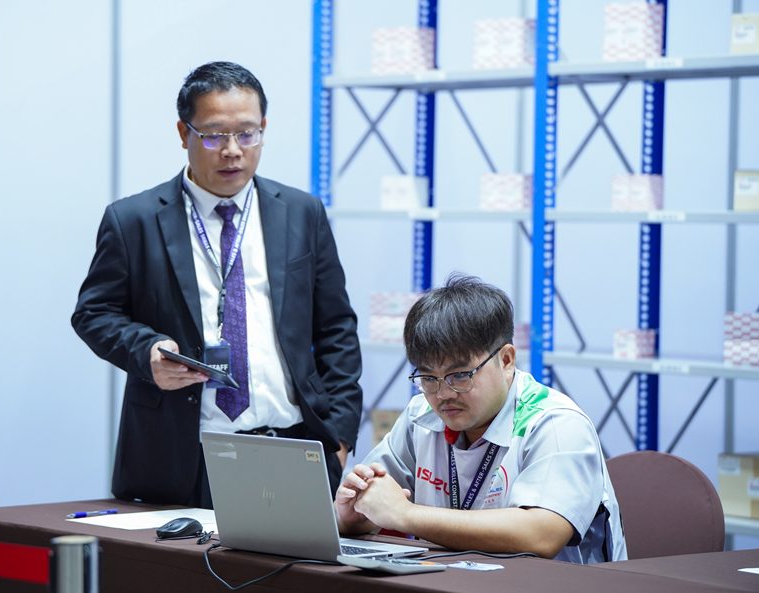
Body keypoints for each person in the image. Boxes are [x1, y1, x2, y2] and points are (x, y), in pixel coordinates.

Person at [72, 61, 362, 508]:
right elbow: (93, 313)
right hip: (180, 455)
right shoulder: (134, 220)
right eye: (213, 135)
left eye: (247, 134)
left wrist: (338, 437)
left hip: (291, 446)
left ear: (263, 129)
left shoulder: (301, 213)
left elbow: (336, 329)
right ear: (183, 133)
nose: (232, 151)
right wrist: (146, 352)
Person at [335, 274, 626, 563]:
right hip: (447, 581)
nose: (443, 394)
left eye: (460, 375)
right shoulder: (420, 415)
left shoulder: (555, 422)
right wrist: (351, 516)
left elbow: (542, 534)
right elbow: (374, 501)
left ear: (506, 360)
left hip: (552, 585)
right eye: (428, 377)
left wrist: (406, 514)